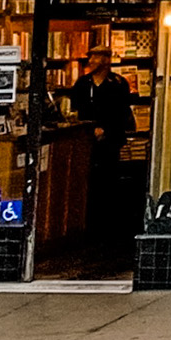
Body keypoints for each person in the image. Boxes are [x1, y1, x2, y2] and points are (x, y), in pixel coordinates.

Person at [66, 45, 137, 241]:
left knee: (108, 178)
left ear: (106, 61)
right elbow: (75, 109)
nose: (90, 62)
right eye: (90, 58)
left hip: (111, 140)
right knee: (86, 179)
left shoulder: (118, 83)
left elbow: (121, 112)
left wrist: (106, 129)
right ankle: (86, 222)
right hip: (85, 140)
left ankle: (107, 225)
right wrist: (89, 128)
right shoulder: (82, 83)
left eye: (95, 58)